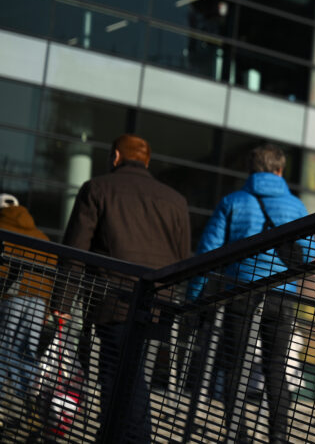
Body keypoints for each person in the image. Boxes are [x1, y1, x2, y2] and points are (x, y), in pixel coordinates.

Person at [61, 134, 191, 443]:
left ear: (116, 156)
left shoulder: (98, 189)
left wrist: (61, 301)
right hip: (157, 304)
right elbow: (184, 257)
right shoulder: (175, 200)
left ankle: (131, 437)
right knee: (124, 372)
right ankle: (113, 433)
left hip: (113, 298)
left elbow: (75, 250)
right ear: (146, 161)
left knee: (118, 375)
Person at [188, 142, 310, 444]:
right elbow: (306, 254)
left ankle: (239, 436)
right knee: (276, 368)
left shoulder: (233, 201)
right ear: (280, 170)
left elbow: (208, 251)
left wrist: (194, 299)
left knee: (234, 367)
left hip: (240, 292)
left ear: (251, 170)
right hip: (282, 295)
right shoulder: (296, 206)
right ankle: (278, 436)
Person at [0, 194, 57, 419]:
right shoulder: (41, 236)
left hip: (10, 297)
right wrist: (47, 307)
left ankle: (4, 403)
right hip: (37, 301)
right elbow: (52, 273)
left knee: (3, 349)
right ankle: (30, 401)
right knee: (27, 352)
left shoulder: (3, 227)